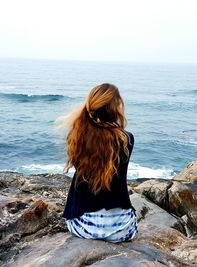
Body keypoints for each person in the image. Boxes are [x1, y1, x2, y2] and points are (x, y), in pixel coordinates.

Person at [61, 83, 137, 243]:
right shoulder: (126, 139)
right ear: (115, 108)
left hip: (83, 226)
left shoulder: (76, 136)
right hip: (120, 229)